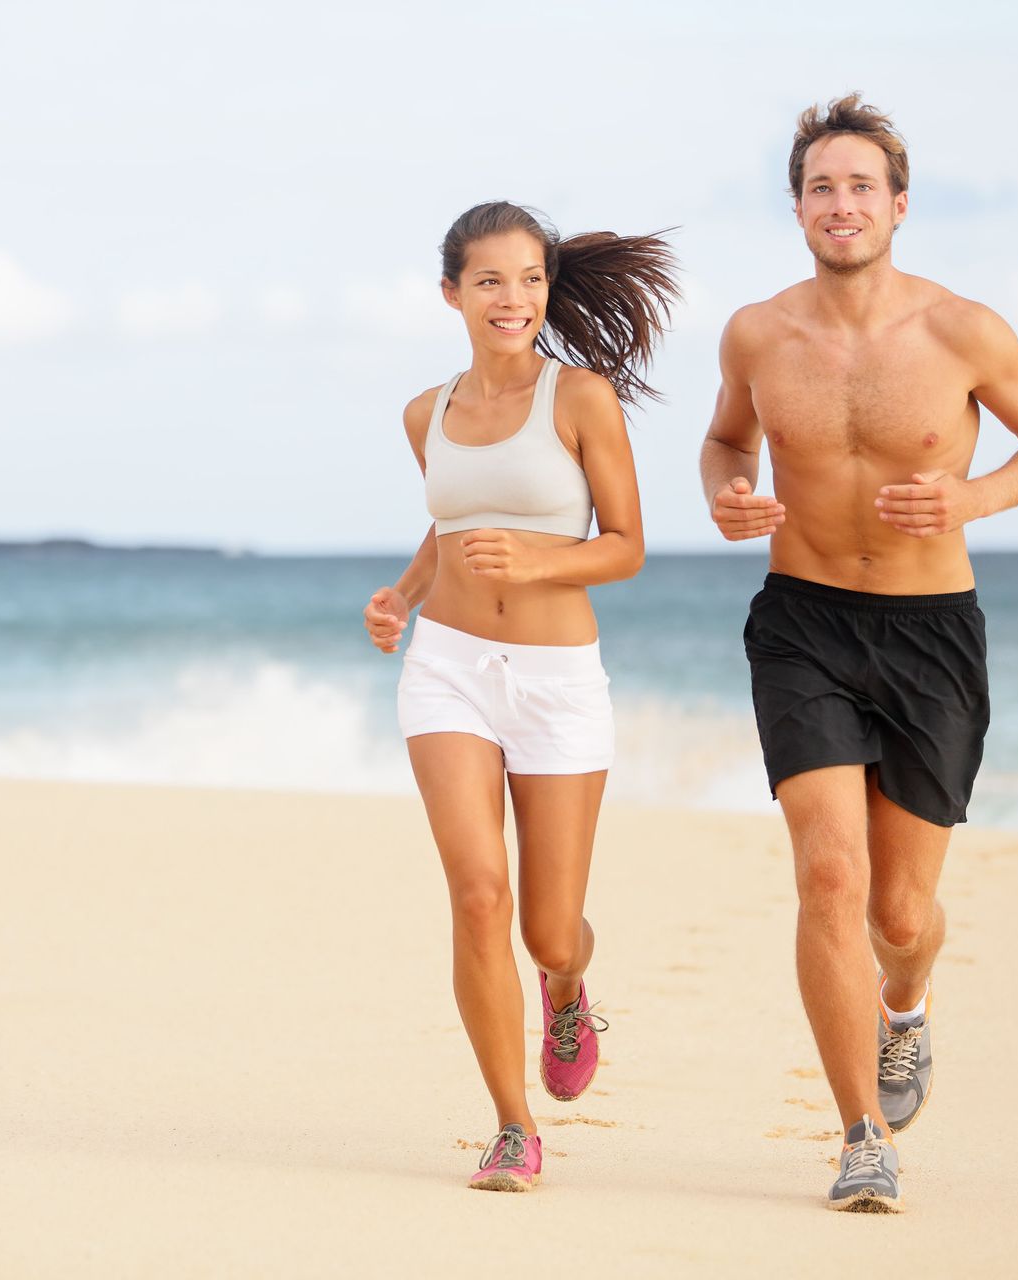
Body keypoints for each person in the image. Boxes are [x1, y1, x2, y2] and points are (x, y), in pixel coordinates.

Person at [700, 94, 1018, 1212]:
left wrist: (972, 492)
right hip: (801, 621)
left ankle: (904, 1006)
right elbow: (728, 432)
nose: (842, 203)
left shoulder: (962, 329)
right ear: (799, 207)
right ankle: (862, 1132)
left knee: (900, 917)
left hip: (930, 635)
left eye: (862, 185)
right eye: (822, 186)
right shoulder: (759, 332)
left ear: (899, 206)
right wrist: (727, 489)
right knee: (828, 871)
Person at [363, 201, 677, 1192]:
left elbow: (625, 545)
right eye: (492, 280)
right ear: (451, 292)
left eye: (531, 277)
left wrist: (538, 562)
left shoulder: (579, 398)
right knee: (475, 892)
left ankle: (568, 985)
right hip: (447, 666)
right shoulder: (427, 412)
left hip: (555, 680)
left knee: (547, 926)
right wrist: (404, 596)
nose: (515, 298)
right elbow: (451, 520)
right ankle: (511, 1123)